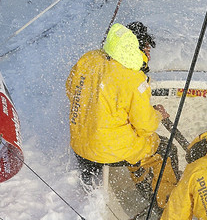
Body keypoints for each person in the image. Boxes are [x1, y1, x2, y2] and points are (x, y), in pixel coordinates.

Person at [64, 21, 172, 188]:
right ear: (136, 48)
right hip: (108, 151)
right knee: (164, 146)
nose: (149, 56)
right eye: (147, 49)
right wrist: (158, 114)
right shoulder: (133, 78)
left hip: (80, 146)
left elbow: (71, 90)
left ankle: (88, 184)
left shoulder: (89, 59)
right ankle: (161, 197)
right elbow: (146, 126)